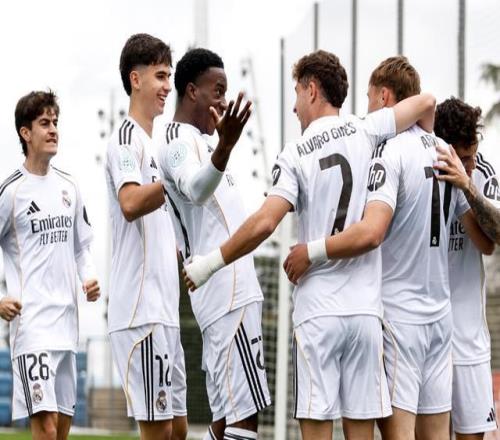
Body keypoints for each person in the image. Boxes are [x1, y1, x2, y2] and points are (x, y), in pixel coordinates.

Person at [183, 50, 437, 440]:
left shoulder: (295, 153)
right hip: (365, 314)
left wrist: (210, 264)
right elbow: (425, 102)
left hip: (318, 314)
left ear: (312, 90)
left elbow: (265, 222)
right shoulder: (367, 129)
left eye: (297, 93)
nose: (294, 107)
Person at [281, 56, 492, 440]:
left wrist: (311, 251)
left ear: (384, 96)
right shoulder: (444, 150)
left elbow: (372, 231)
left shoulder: (388, 152)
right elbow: (482, 238)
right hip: (440, 316)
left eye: (368, 98)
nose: (366, 107)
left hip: (398, 317)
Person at [157, 48, 268, 440]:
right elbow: (196, 189)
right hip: (225, 293)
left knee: (224, 420)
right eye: (217, 91)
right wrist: (225, 147)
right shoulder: (177, 140)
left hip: (229, 291)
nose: (223, 101)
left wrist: (221, 147)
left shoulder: (204, 142)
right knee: (244, 420)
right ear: (192, 91)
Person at [0, 90, 100, 440]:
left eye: (55, 122)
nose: (53, 129)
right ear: (25, 133)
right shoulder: (11, 192)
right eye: (44, 123)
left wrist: (89, 277)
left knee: (61, 431)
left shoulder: (69, 186)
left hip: (67, 326)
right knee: (46, 426)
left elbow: (81, 248)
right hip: (31, 327)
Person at [105, 33, 187, 440]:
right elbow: (131, 202)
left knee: (180, 429)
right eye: (160, 76)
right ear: (135, 79)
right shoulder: (125, 139)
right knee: (160, 432)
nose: (167, 86)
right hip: (141, 312)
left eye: (169, 76)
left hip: (165, 311)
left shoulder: (155, 146)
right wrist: (177, 181)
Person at [433, 97, 499, 439]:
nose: (471, 164)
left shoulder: (481, 173)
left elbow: (493, 240)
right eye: (464, 158)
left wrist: (466, 185)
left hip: (468, 338)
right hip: (424, 333)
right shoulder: (420, 171)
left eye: (474, 155)